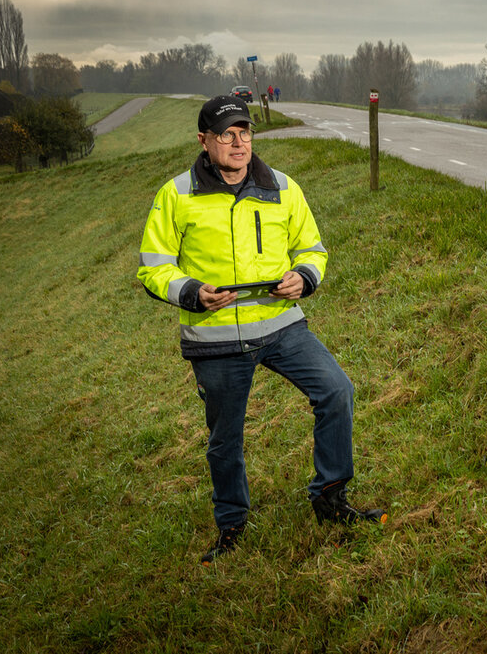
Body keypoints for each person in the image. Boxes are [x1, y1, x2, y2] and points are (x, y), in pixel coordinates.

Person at [137, 96, 386, 565]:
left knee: (337, 391)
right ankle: (231, 526)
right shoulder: (175, 195)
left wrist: (304, 277)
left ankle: (329, 497)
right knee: (224, 440)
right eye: (227, 134)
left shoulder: (284, 188)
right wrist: (192, 292)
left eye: (245, 132)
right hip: (215, 341)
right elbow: (153, 267)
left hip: (282, 327)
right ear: (204, 141)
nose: (238, 142)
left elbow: (312, 248)